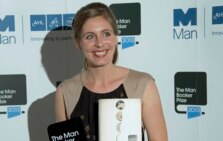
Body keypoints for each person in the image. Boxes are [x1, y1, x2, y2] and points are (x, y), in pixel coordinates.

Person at [55, 2, 168, 141]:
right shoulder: (65, 91)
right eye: (90, 36)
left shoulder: (143, 84)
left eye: (106, 34)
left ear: (115, 37)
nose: (100, 43)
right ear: (78, 42)